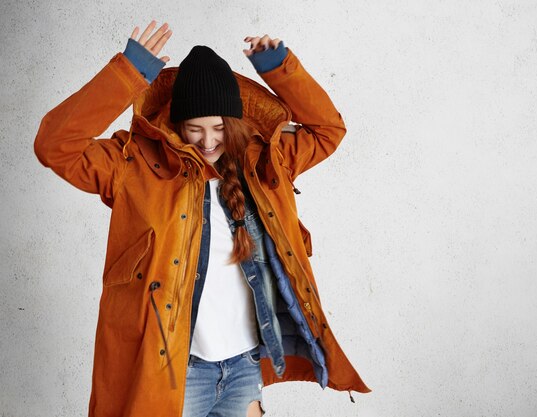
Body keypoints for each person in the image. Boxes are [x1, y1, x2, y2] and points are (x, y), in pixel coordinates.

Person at [34, 20, 369, 417]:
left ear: (236, 124)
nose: (208, 142)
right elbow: (55, 145)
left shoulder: (266, 164)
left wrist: (279, 66)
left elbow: (328, 129)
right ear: (177, 124)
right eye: (194, 129)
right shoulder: (133, 164)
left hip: (244, 368)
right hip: (173, 374)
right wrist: (128, 73)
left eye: (219, 129)